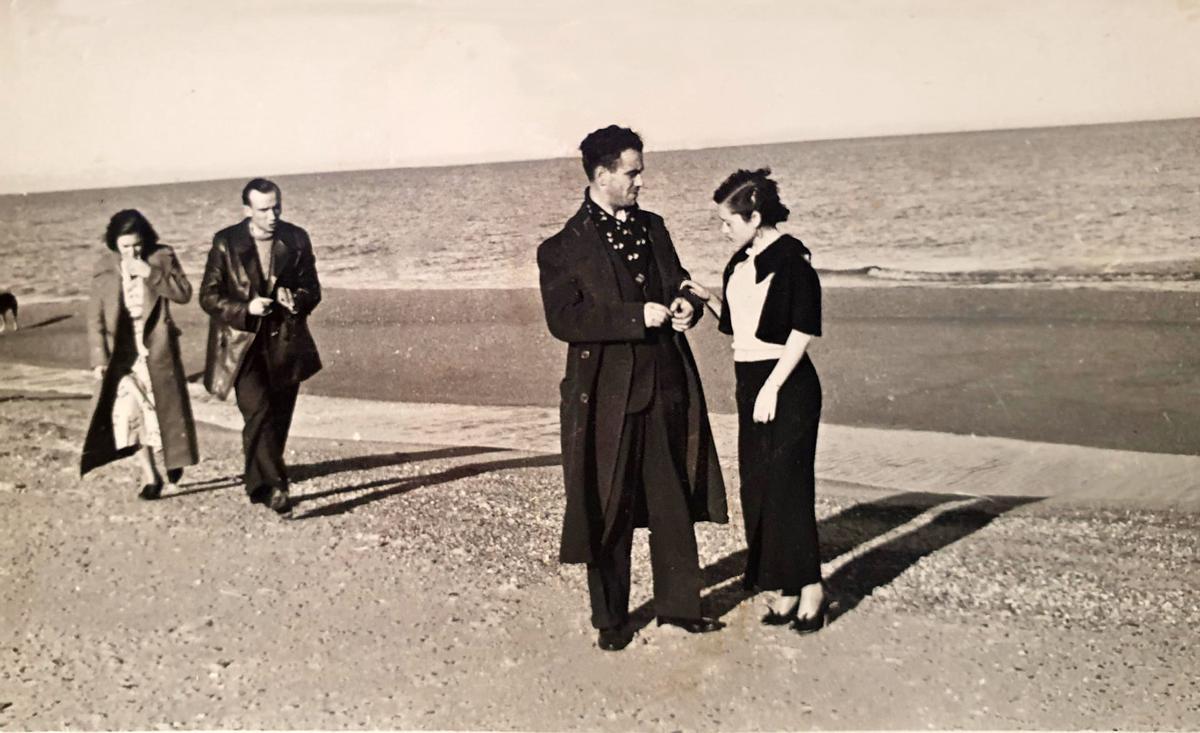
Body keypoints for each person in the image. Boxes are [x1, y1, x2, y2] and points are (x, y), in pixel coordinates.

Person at [537, 125, 728, 652]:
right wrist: (633, 316)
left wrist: (686, 303)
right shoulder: (560, 248)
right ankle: (610, 619)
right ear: (602, 175)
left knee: (671, 502)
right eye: (633, 172)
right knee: (609, 505)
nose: (641, 181)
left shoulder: (654, 227)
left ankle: (681, 607)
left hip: (665, 385)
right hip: (605, 398)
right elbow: (565, 319)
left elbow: (677, 279)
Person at [682, 168, 829, 633]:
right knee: (761, 488)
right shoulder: (742, 261)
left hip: (786, 383)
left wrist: (772, 387)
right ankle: (786, 588)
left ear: (755, 216)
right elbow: (741, 325)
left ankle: (812, 589)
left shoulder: (792, 258)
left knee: (789, 486)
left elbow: (801, 330)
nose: (724, 230)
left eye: (728, 221)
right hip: (751, 381)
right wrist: (707, 297)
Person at [199, 178, 322, 514]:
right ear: (247, 210)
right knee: (259, 411)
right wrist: (246, 309)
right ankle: (277, 488)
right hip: (242, 344)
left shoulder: (296, 238)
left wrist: (294, 298)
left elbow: (313, 289)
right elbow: (208, 297)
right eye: (264, 209)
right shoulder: (226, 242)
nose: (273, 215)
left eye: (277, 206)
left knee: (277, 419)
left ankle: (258, 483)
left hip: (285, 341)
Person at [81, 209, 199, 497]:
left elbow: (183, 293)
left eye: (137, 244)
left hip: (155, 347)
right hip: (120, 353)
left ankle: (173, 458)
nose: (132, 251)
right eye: (125, 247)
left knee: (161, 411)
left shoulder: (162, 257)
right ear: (114, 245)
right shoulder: (104, 267)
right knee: (127, 413)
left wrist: (150, 273)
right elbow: (94, 317)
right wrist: (98, 359)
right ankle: (150, 476)